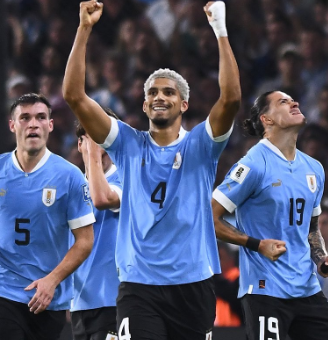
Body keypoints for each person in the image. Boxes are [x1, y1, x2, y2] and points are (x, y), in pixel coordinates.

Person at [63, 1, 241, 338]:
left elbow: (230, 99)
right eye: (153, 92)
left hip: (193, 284)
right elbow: (74, 96)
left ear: (184, 104)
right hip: (138, 286)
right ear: (144, 104)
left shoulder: (200, 145)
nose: (161, 97)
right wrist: (84, 29)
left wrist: (220, 30)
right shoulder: (127, 144)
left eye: (169, 92)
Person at [0, 93, 95, 340]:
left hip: (48, 298)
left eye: (41, 117)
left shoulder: (70, 177)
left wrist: (52, 280)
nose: (33, 123)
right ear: (13, 125)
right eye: (25, 118)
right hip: (1, 288)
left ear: (50, 125)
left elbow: (85, 241)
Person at [212, 90, 328, 340]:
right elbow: (210, 217)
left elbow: (311, 228)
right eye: (283, 101)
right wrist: (256, 244)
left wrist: (321, 258)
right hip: (265, 291)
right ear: (266, 119)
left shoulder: (314, 168)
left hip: (307, 289)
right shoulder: (253, 164)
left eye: (294, 99)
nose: (295, 102)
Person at [71, 108, 122, 340]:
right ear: (80, 143)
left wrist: (93, 152)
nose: (97, 145)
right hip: (79, 304)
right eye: (90, 137)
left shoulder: (125, 177)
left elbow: (103, 199)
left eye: (102, 137)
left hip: (114, 299)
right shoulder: (70, 187)